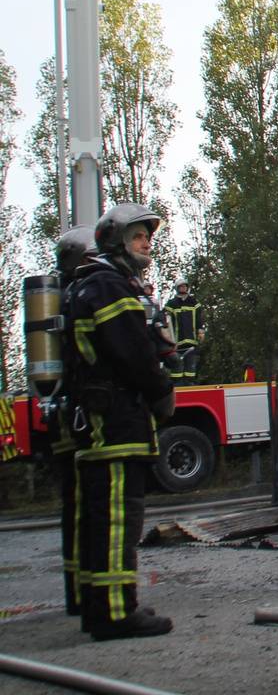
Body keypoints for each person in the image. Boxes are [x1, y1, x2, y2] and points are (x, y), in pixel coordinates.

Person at [63, 202, 175, 641]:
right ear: (115, 242)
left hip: (102, 420)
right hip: (116, 420)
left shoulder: (93, 284)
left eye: (148, 236)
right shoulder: (109, 287)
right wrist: (161, 390)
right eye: (137, 237)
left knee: (98, 518)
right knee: (116, 518)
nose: (146, 243)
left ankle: (99, 606)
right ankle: (114, 613)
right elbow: (133, 354)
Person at [47, 225, 99, 619]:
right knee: (94, 506)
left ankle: (76, 593)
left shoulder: (56, 300)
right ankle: (97, 598)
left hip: (63, 415)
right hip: (85, 416)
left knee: (74, 506)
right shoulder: (84, 296)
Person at [164, 279, 204, 385]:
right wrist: (168, 339)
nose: (183, 288)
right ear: (177, 288)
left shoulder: (194, 302)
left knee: (190, 367)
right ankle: (177, 384)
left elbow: (199, 319)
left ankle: (189, 383)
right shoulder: (171, 304)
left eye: (184, 286)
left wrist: (200, 331)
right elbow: (167, 322)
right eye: (181, 287)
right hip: (176, 343)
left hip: (191, 341)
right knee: (176, 368)